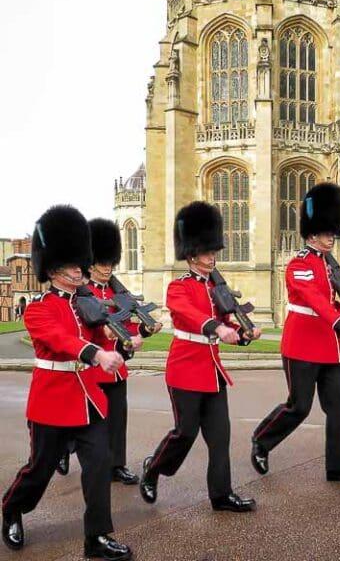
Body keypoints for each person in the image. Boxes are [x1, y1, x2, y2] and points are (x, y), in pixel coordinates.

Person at [1, 205, 133, 560]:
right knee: (39, 470)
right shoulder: (38, 309)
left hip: (88, 399)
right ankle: (12, 508)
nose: (81, 269)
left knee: (99, 464)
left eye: (81, 263)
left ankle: (97, 538)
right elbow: (62, 341)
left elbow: (104, 338)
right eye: (75, 265)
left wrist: (121, 342)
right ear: (55, 268)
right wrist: (97, 354)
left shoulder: (85, 306)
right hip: (52, 402)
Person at [139, 201, 259, 513]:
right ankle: (153, 468)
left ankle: (221, 495)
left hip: (212, 370)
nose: (212, 257)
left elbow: (228, 324)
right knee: (185, 433)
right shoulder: (177, 287)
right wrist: (217, 327)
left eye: (213, 251)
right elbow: (188, 314)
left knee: (220, 437)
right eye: (207, 252)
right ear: (191, 254)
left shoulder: (217, 289)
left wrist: (244, 333)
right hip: (185, 368)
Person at [251, 182, 340, 485]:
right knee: (299, 407)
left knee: (339, 406)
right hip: (302, 346)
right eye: (326, 233)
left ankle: (338, 467)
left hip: (329, 349)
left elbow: (332, 305)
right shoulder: (299, 264)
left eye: (333, 232)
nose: (332, 237)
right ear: (312, 233)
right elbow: (315, 302)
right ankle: (262, 441)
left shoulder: (331, 268)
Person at [86, 218, 163, 485]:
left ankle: (116, 465)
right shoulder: (84, 294)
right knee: (88, 423)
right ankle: (65, 449)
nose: (107, 268)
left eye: (110, 263)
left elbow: (130, 325)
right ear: (91, 263)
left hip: (117, 368)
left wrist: (145, 330)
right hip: (92, 369)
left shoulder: (117, 292)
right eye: (102, 263)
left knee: (117, 420)